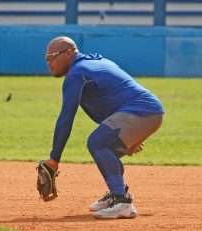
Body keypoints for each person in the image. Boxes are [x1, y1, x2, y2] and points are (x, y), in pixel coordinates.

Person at [43, 36, 164, 219]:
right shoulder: (96, 62)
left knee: (97, 143)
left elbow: (66, 118)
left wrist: (54, 159)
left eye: (52, 56)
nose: (49, 63)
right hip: (146, 111)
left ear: (69, 53)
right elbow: (117, 96)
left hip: (141, 111)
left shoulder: (77, 74)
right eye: (47, 59)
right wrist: (131, 134)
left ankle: (122, 202)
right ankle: (118, 193)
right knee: (106, 146)